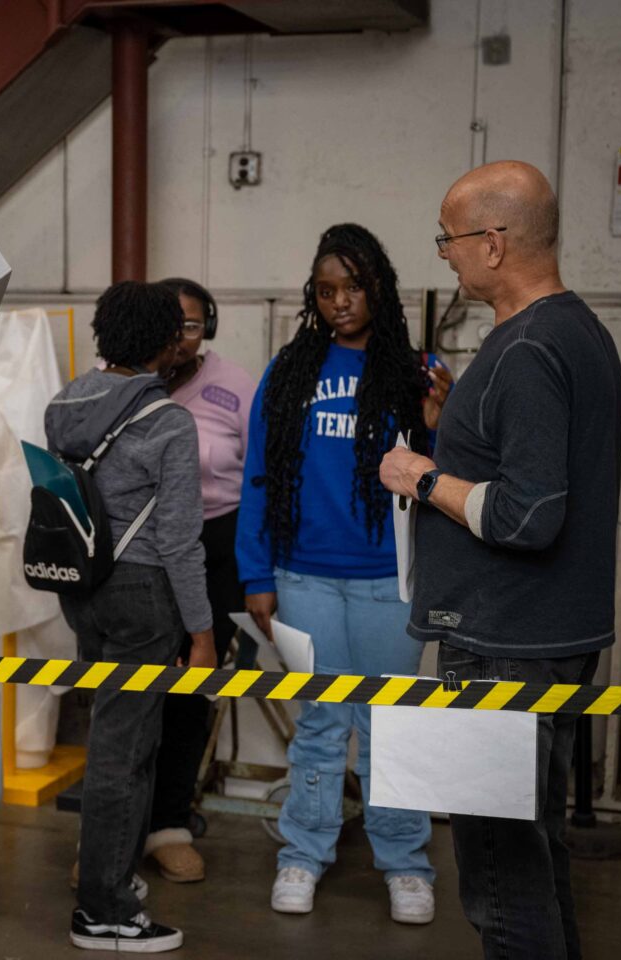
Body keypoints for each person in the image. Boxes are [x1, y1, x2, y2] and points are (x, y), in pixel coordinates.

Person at [380, 161, 621, 960]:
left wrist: (423, 475)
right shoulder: (576, 332)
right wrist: (457, 425)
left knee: (501, 882)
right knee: (536, 856)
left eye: (449, 239)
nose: (444, 256)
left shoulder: (524, 350)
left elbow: (528, 515)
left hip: (502, 648)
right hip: (548, 639)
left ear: (492, 241)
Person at [237, 223, 447, 925]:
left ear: (378, 287)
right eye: (326, 290)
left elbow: (451, 480)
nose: (339, 302)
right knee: (321, 723)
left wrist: (437, 423)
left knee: (392, 725)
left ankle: (405, 864)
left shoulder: (419, 371)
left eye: (353, 286)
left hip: (392, 579)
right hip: (303, 578)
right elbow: (259, 478)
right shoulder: (291, 370)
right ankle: (303, 853)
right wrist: (254, 573)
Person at [45, 280, 216, 954]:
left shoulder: (65, 404)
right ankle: (104, 911)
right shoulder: (168, 422)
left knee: (113, 743)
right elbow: (178, 540)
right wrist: (201, 632)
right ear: (162, 343)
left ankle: (110, 875)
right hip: (145, 595)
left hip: (82, 588)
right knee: (125, 753)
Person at [125, 276, 256, 884]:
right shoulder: (119, 380)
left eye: (193, 324)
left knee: (189, 692)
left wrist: (258, 569)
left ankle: (170, 824)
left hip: (214, 549)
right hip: (135, 553)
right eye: (169, 323)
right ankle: (116, 829)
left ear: (209, 329)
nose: (181, 337)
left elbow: (261, 483)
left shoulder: (236, 387)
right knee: (128, 695)